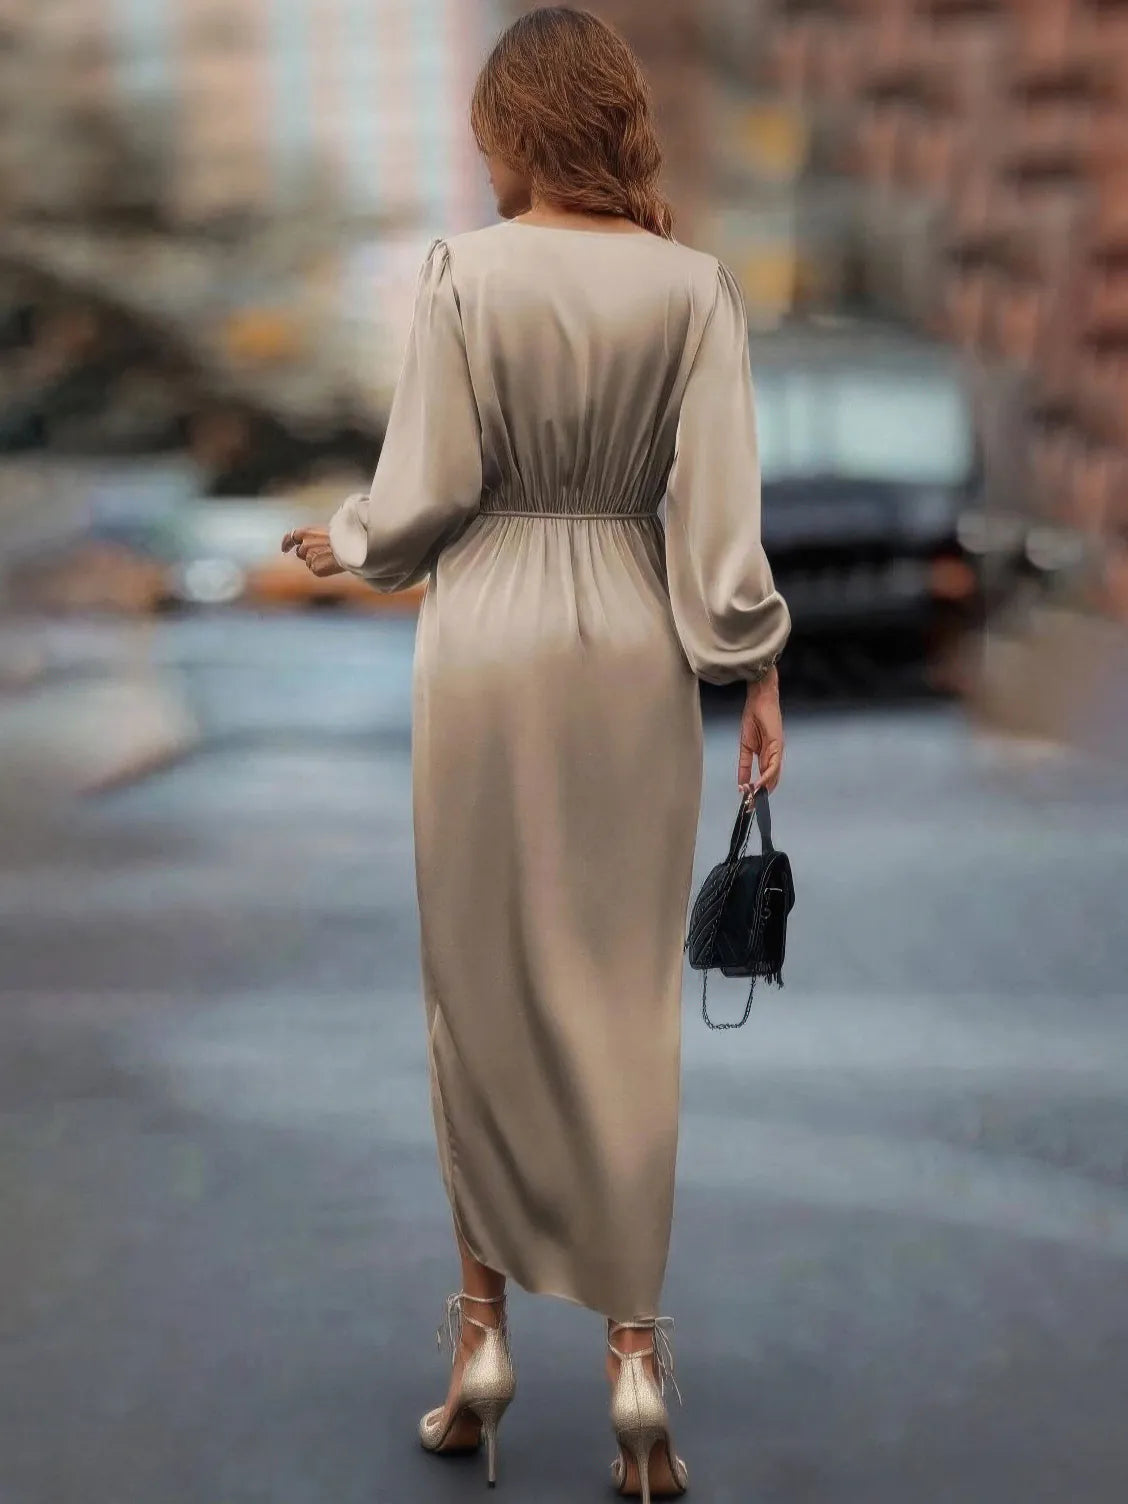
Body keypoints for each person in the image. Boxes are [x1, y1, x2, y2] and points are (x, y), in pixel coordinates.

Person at [282, 7, 789, 1498]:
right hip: (632, 643)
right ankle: (636, 1365)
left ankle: (482, 1350)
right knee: (622, 996)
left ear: (509, 127)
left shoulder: (462, 272)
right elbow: (720, 533)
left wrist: (353, 546)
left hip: (489, 637)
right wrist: (753, 673)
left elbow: (425, 490)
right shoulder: (695, 293)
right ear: (621, 119)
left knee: (480, 990)